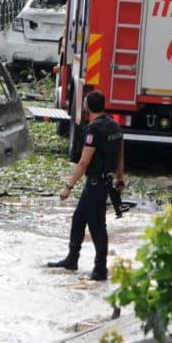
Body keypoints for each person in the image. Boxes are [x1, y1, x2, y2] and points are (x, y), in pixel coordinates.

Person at [48, 91, 124, 281]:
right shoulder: (114, 125)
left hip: (96, 183)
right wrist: (119, 178)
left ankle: (100, 269)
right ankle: (72, 259)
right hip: (104, 182)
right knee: (79, 219)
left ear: (87, 107)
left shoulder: (94, 130)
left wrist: (68, 186)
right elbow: (121, 155)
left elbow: (83, 162)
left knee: (97, 226)